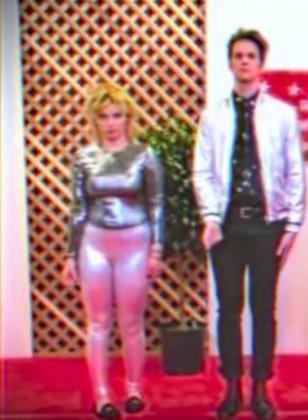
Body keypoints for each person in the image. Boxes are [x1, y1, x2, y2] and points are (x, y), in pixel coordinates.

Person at [193, 28, 306, 419]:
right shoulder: (213, 115)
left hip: (266, 226)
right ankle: (231, 387)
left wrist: (292, 224)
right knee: (228, 310)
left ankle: (260, 388)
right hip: (226, 227)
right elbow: (202, 171)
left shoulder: (282, 114)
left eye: (250, 56)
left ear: (260, 63)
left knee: (263, 309)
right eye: (238, 55)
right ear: (230, 62)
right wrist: (210, 217)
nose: (244, 61)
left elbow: (294, 170)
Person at [61, 83, 164, 419]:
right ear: (94, 120)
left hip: (135, 243)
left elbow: (156, 204)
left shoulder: (144, 155)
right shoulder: (84, 158)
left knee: (131, 322)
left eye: (117, 115)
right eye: (104, 116)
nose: (111, 123)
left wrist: (156, 250)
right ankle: (102, 395)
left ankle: (134, 389)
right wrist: (70, 255)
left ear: (128, 118)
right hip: (94, 244)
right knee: (98, 322)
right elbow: (77, 209)